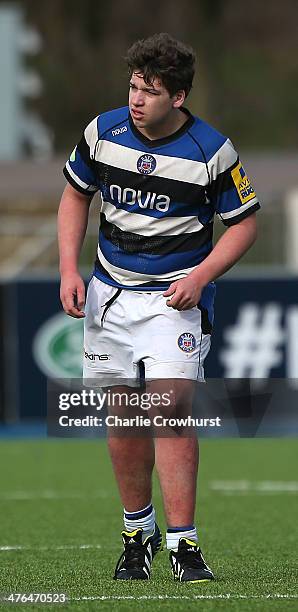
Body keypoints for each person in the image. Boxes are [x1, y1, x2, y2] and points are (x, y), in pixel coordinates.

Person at [58, 32, 259, 582]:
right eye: (132, 87)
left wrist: (202, 275)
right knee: (123, 418)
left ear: (179, 96)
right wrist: (69, 269)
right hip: (109, 294)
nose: (136, 99)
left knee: (169, 411)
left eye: (149, 90)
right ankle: (135, 534)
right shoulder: (103, 132)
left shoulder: (211, 151)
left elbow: (243, 223)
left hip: (174, 299)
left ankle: (184, 547)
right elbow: (76, 194)